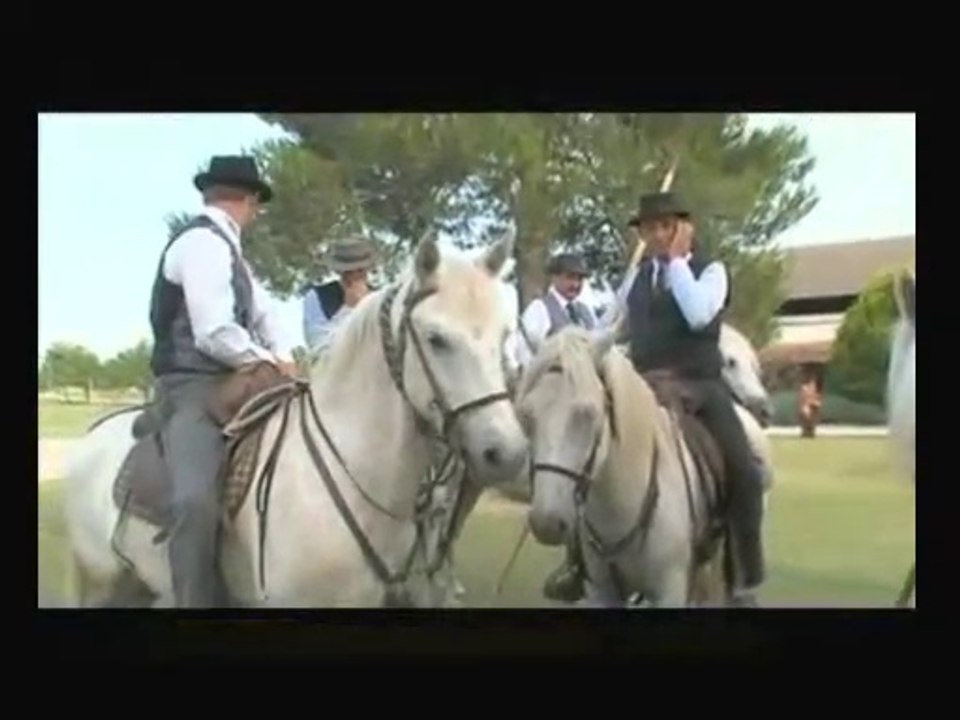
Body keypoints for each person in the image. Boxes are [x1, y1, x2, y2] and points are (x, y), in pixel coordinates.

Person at [544, 191, 766, 607]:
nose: (658, 235)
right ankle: (579, 564)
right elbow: (612, 329)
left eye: (666, 226)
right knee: (585, 461)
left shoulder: (711, 271)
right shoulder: (638, 277)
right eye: (650, 228)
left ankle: (743, 573)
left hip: (700, 387)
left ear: (685, 228)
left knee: (745, 469)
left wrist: (678, 262)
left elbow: (700, 314)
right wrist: (575, 349)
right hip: (643, 389)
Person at [148, 154, 297, 608]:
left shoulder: (231, 252)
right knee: (195, 501)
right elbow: (213, 331)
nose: (256, 213)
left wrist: (286, 355)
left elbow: (265, 311)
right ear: (248, 200)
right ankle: (194, 602)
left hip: (232, 377)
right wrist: (266, 358)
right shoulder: (202, 244)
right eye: (256, 204)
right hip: (191, 386)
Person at [513, 252, 599, 368]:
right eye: (570, 278)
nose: (575, 284)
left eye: (579, 279)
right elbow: (525, 352)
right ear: (554, 278)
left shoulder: (586, 311)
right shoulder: (540, 308)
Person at [302, 237, 377, 357]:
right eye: (348, 271)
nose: (355, 275)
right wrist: (348, 309)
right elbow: (319, 347)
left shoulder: (379, 299)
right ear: (339, 271)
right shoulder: (317, 297)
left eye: (360, 270)